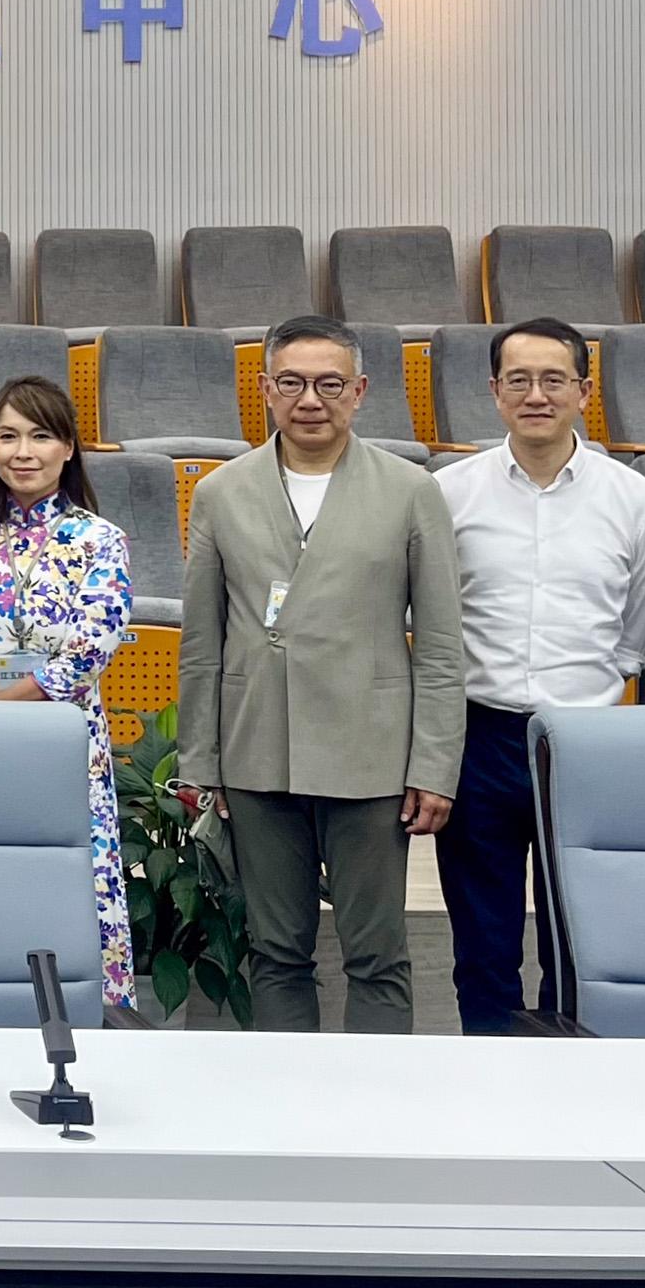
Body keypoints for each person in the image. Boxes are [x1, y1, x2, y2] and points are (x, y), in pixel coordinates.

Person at [177, 314, 464, 1035]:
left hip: (371, 758)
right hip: (256, 753)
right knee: (275, 953)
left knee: (377, 954)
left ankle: (377, 1123)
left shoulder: (409, 490)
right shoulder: (221, 491)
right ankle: (287, 1119)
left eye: (330, 384)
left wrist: (434, 764)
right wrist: (198, 762)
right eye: (293, 383)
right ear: (266, 389)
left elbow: (438, 642)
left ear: (360, 391)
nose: (311, 399)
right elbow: (202, 645)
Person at [432, 318, 645, 1035]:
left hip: (586, 742)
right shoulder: (447, 492)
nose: (536, 395)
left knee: (584, 936)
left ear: (584, 391)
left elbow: (639, 629)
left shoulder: (636, 500)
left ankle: (579, 1092)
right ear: (494, 391)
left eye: (554, 379)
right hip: (478, 735)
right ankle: (491, 1086)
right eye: (519, 380)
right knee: (483, 941)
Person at [0, 375, 135, 1012]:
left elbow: (93, 645)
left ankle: (92, 1018)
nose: (23, 451)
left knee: (72, 885)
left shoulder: (101, 539)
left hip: (63, 749)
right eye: (7, 436)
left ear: (68, 447)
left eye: (40, 435)